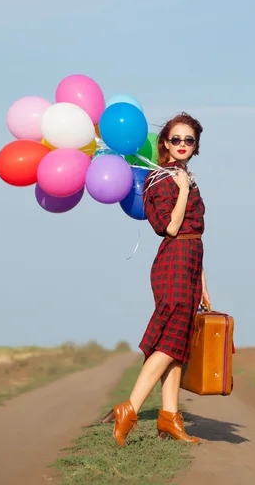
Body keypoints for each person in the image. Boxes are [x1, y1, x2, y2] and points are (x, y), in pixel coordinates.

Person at [102, 112, 210, 446]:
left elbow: (195, 232)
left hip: (191, 263)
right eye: (175, 139)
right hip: (173, 262)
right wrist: (180, 192)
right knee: (168, 343)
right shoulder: (160, 180)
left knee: (177, 344)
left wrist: (203, 284)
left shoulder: (185, 178)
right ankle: (130, 409)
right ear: (164, 143)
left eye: (188, 140)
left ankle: (169, 418)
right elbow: (170, 228)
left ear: (196, 146)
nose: (181, 145)